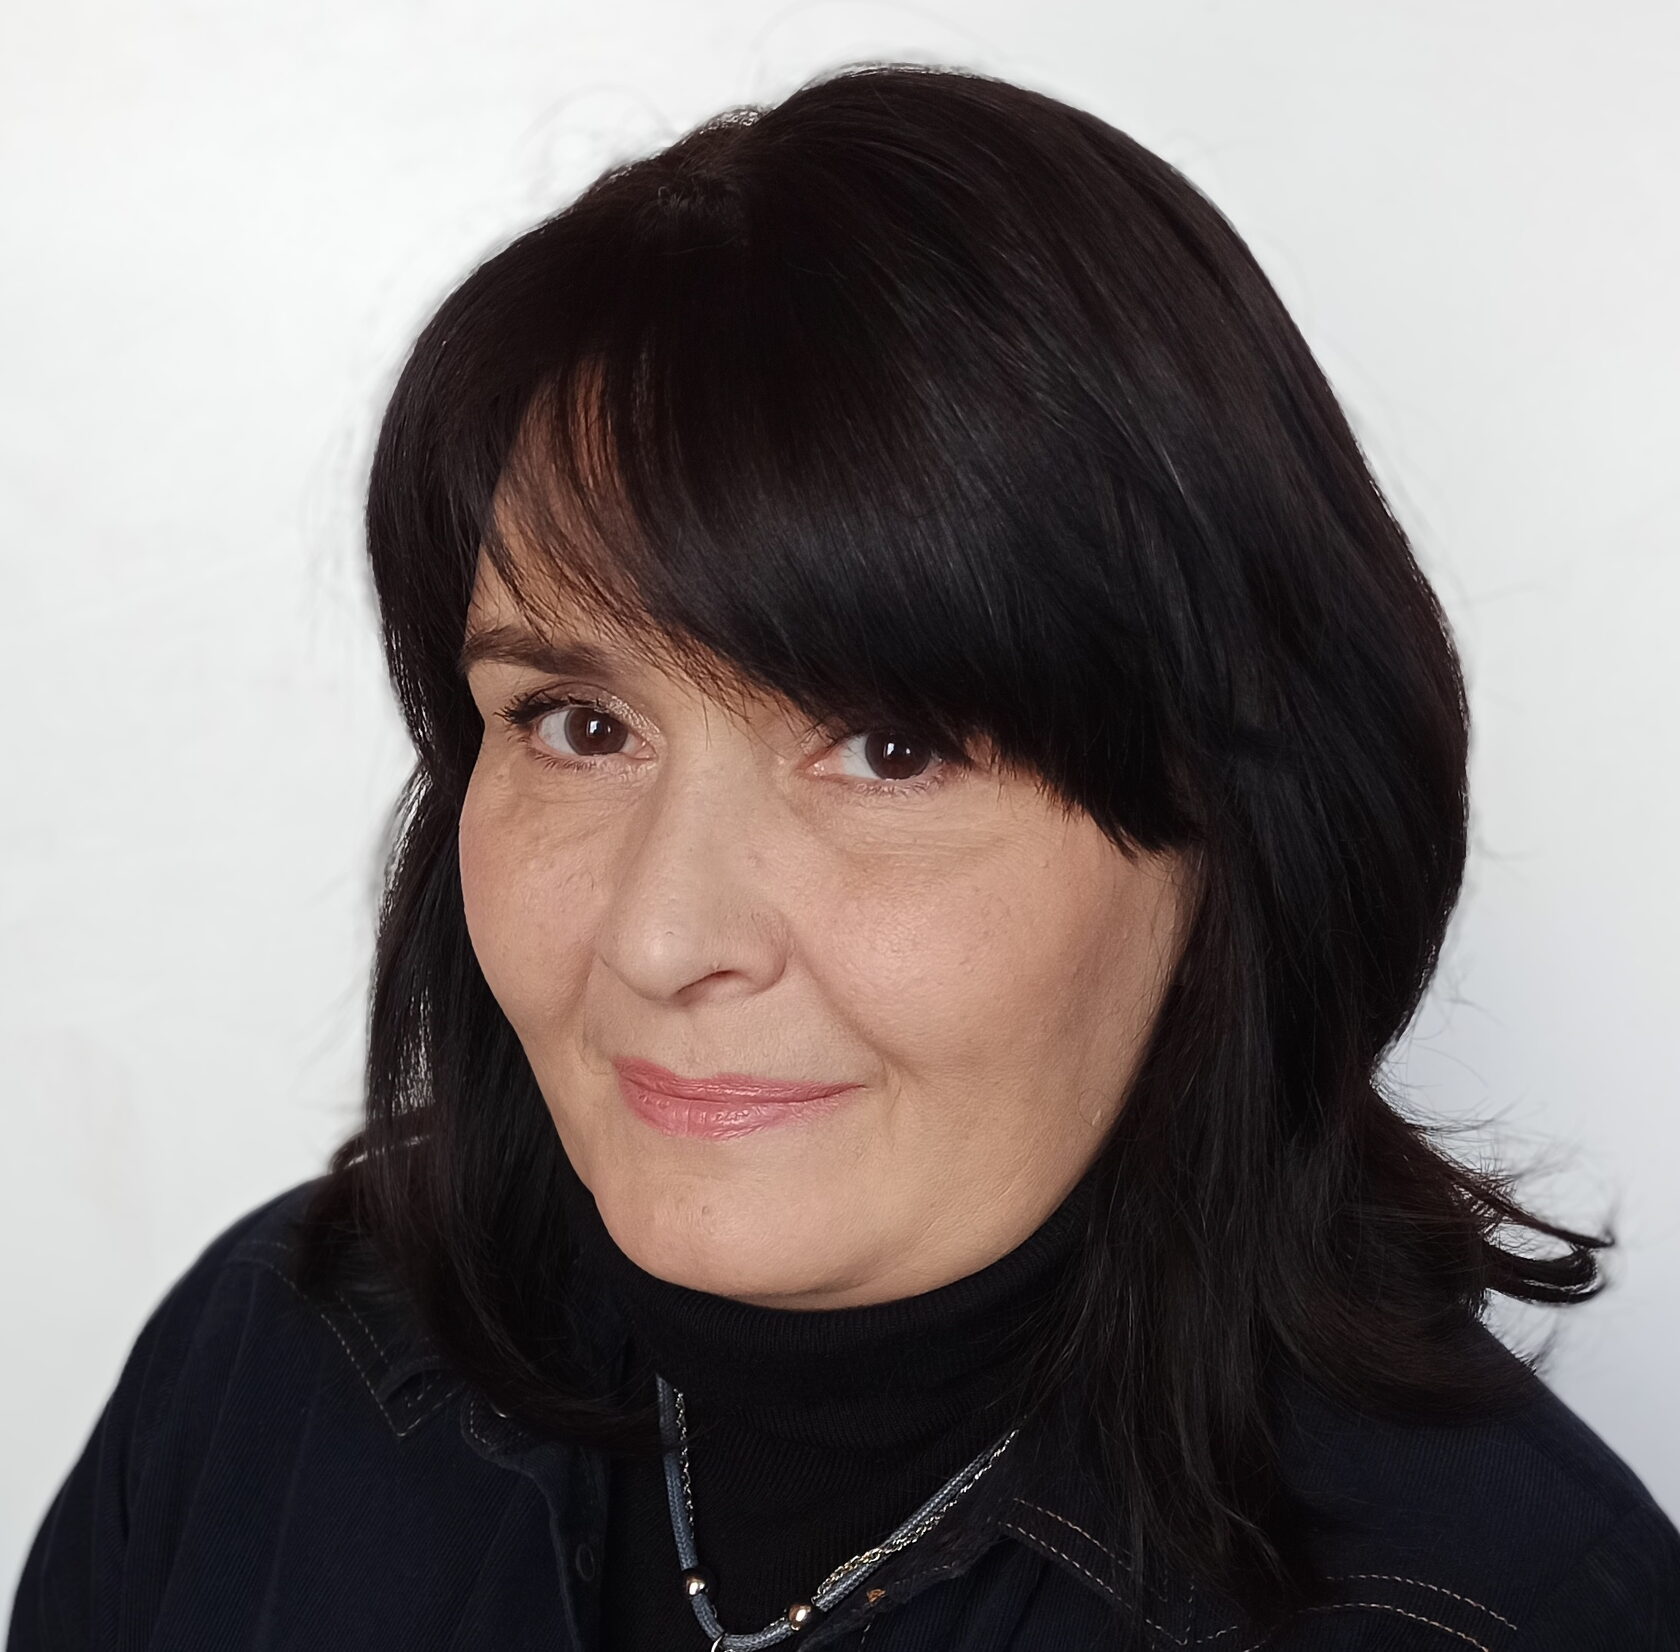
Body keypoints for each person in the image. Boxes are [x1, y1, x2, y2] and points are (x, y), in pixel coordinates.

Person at [9, 60, 1679, 1652]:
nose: (663, 936)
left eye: (891, 749)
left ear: (1240, 829)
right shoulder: (278, 1371)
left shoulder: (1505, 1615)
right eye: (580, 725)